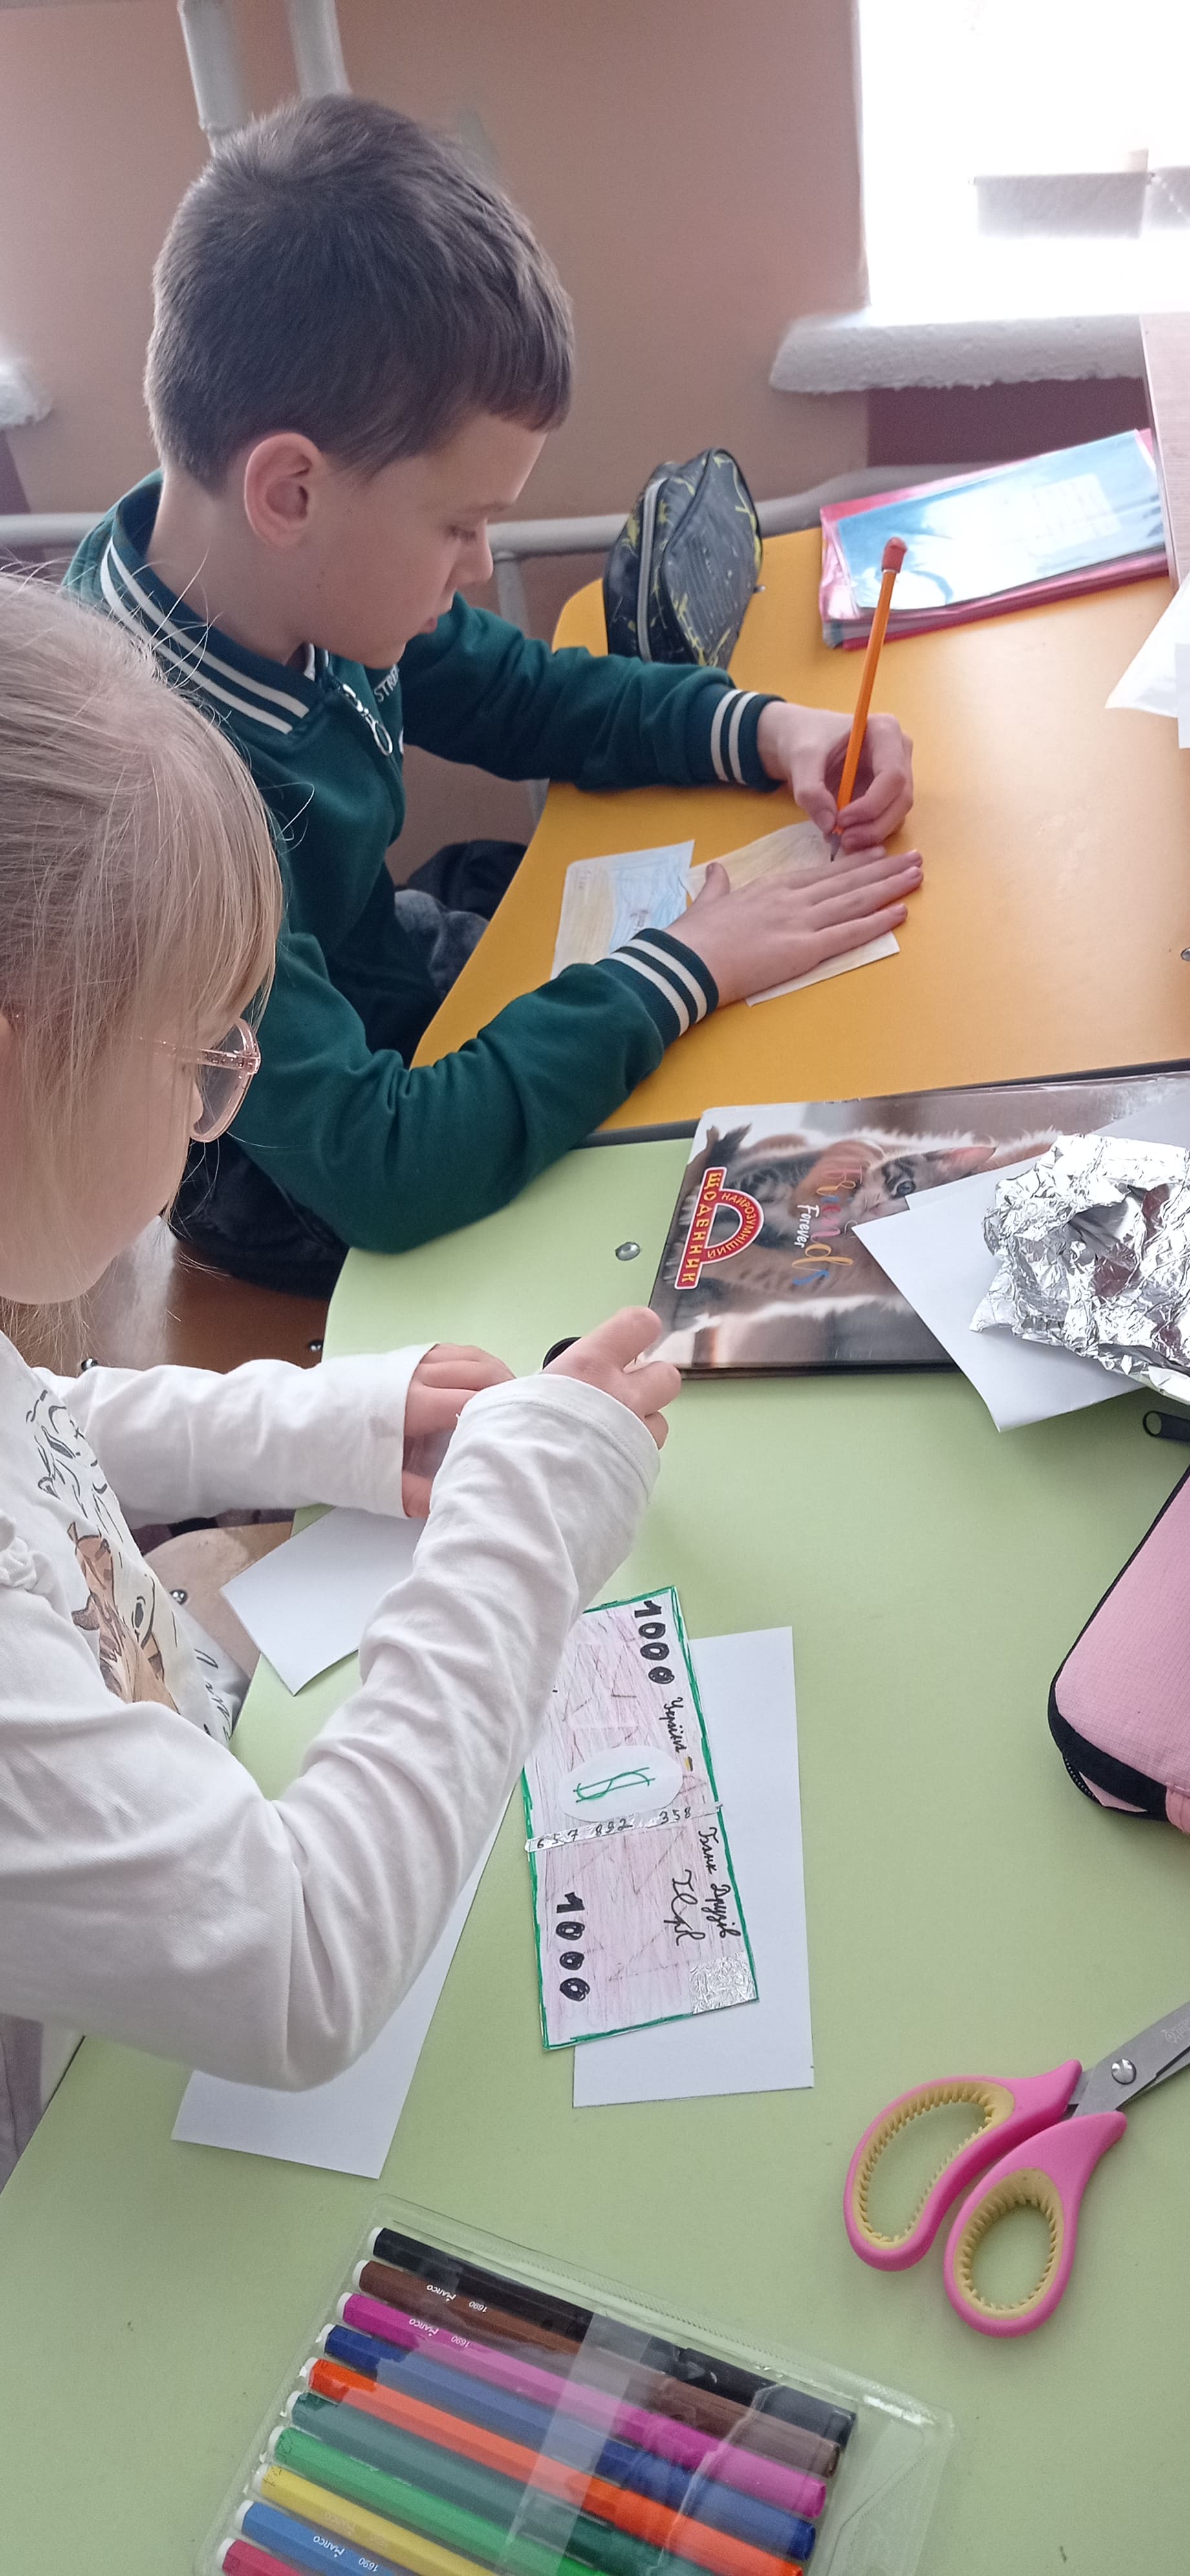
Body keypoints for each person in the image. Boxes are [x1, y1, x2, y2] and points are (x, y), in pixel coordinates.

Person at [0, 574, 679, 2187]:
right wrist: (520, 1531)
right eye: (197, 1060)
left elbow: (40, 1427)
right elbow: (297, 1972)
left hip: (140, 1775)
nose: (215, 1111)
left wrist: (318, 1421)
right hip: (69, 2158)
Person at [68, 95, 924, 1298]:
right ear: (291, 492)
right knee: (698, 1213)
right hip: (299, 1183)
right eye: (460, 525)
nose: (478, 567)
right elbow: (382, 1164)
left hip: (387, 999)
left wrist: (768, 728)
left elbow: (522, 693)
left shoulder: (265, 576)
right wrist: (686, 964)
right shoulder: (159, 801)